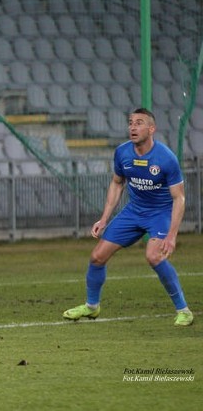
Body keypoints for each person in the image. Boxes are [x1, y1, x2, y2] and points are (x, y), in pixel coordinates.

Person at [63, 108, 193, 327]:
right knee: (97, 257)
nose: (133, 127)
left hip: (160, 214)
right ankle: (92, 307)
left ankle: (184, 310)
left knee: (154, 256)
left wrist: (172, 234)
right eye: (131, 122)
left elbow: (179, 198)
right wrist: (104, 219)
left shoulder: (166, 158)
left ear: (151, 129)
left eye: (139, 123)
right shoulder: (122, 153)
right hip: (133, 211)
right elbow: (117, 183)